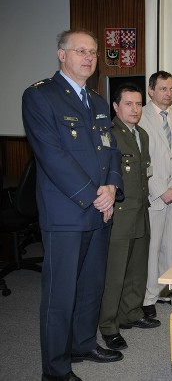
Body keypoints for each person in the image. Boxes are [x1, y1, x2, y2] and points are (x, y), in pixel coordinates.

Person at [22, 29, 124, 381]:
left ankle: (82, 344)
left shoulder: (97, 102)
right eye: (81, 50)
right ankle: (55, 369)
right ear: (61, 55)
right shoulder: (40, 97)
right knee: (60, 295)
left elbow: (111, 150)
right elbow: (52, 156)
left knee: (91, 286)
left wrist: (112, 187)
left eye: (93, 52)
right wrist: (96, 194)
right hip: (67, 212)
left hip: (100, 210)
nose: (89, 57)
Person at [99, 84, 159, 353]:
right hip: (120, 215)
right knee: (115, 273)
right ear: (116, 106)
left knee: (137, 268)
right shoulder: (109, 134)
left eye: (138, 104)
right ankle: (109, 326)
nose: (135, 109)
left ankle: (131, 312)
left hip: (140, 211)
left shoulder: (142, 135)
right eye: (128, 104)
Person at [138, 71, 172, 319]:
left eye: (171, 89)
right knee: (152, 249)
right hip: (154, 197)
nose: (168, 94)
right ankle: (148, 297)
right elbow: (142, 160)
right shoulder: (140, 117)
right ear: (151, 91)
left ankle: (167, 292)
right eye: (163, 89)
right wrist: (162, 190)